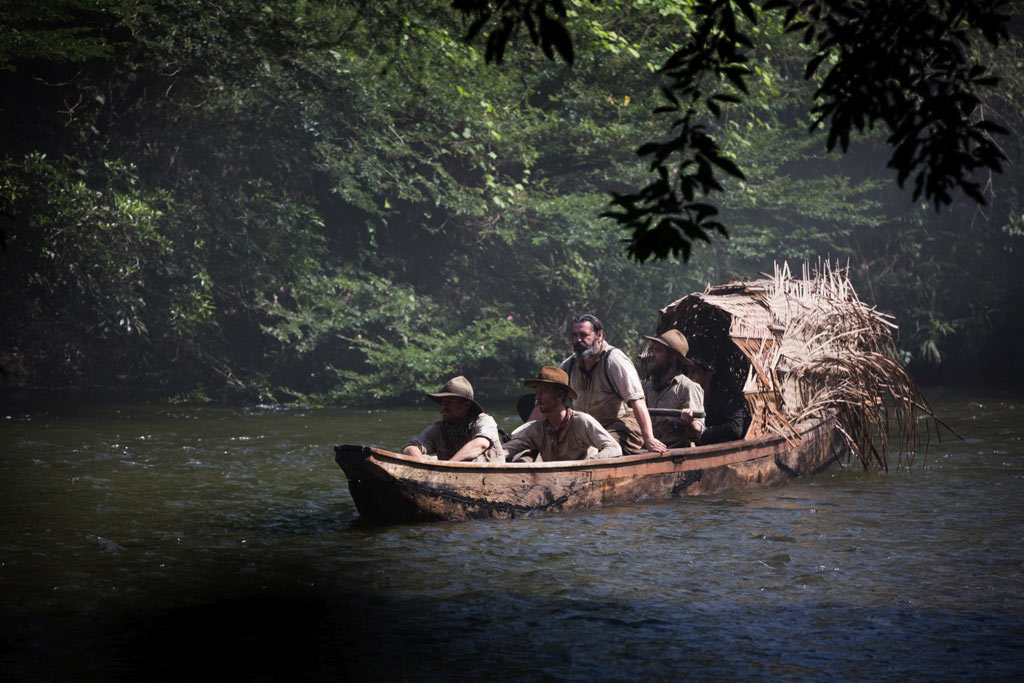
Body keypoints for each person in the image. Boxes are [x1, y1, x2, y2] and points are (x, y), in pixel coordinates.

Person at [558, 313, 667, 454]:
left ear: (599, 335)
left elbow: (638, 400)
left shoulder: (614, 360)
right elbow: (546, 399)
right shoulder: (569, 365)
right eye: (574, 335)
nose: (578, 340)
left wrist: (649, 438)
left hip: (621, 426)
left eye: (584, 335)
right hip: (588, 430)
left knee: (600, 451)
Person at [502, 366, 622, 462]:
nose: (537, 398)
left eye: (543, 392)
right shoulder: (537, 429)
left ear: (560, 395)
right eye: (536, 392)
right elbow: (508, 449)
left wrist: (591, 462)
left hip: (584, 481)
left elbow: (614, 448)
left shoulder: (581, 422)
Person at [401, 376, 505, 463]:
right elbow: (410, 447)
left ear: (466, 405)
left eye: (450, 402)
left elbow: (481, 444)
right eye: (443, 402)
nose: (444, 406)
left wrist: (448, 466)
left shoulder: (484, 421)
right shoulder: (439, 429)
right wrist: (421, 465)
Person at [641, 329, 706, 448]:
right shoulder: (647, 388)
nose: (652, 355)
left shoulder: (688, 387)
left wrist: (689, 422)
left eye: (658, 351)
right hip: (649, 452)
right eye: (653, 350)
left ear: (672, 357)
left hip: (676, 456)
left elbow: (697, 432)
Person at [678, 351, 751, 445]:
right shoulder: (690, 397)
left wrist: (703, 432)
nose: (689, 377)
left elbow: (735, 428)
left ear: (708, 375)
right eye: (688, 372)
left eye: (694, 371)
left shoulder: (727, 398)